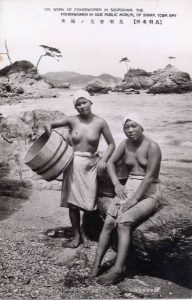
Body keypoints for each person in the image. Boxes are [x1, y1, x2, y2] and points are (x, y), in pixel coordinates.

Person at [90, 113, 162, 284]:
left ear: (142, 126)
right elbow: (109, 163)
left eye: (134, 126)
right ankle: (96, 264)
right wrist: (116, 184)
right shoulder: (125, 144)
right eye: (126, 127)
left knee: (123, 222)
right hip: (128, 187)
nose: (130, 130)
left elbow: (150, 176)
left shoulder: (152, 146)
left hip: (149, 192)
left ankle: (118, 269)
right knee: (108, 222)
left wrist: (134, 199)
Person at [44, 90, 115, 248]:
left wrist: (104, 159)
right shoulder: (71, 120)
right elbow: (48, 124)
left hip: (91, 164)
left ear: (91, 102)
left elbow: (111, 144)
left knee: (89, 203)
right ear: (75, 107)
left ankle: (86, 232)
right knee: (73, 203)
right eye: (78, 104)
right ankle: (77, 235)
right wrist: (52, 140)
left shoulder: (100, 122)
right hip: (73, 163)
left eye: (84, 102)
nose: (82, 106)